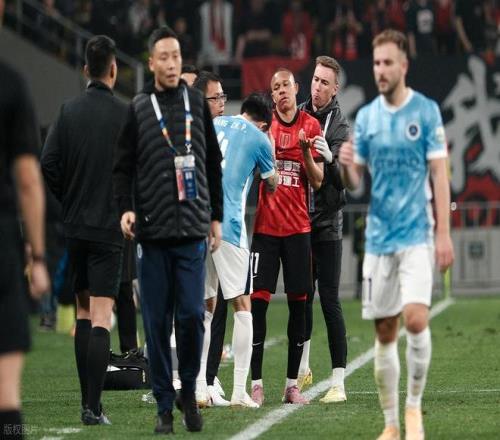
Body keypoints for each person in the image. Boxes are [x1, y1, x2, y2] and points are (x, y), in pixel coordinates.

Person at [339, 29, 454, 440]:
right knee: (385, 332)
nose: (380, 70)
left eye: (388, 62)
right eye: (376, 63)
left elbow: (440, 174)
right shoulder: (368, 117)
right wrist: (346, 165)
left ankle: (413, 408)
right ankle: (390, 423)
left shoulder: (426, 112)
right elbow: (355, 182)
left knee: (417, 319)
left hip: (417, 233)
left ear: (403, 66)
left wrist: (444, 234)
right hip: (379, 238)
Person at [113, 26, 223, 435]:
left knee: (192, 316)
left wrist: (215, 217)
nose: (172, 63)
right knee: (157, 324)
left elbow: (211, 163)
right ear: (151, 63)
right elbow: (122, 167)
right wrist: (126, 209)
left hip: (192, 231)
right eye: (164, 57)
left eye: (176, 55)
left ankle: (188, 389)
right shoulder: (139, 108)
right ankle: (164, 406)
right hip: (153, 235)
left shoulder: (196, 103)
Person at [41, 35, 127, 425]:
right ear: (114, 69)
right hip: (109, 228)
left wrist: (69, 198)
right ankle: (93, 407)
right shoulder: (124, 114)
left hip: (75, 227)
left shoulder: (67, 111)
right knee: (102, 317)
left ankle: (86, 402)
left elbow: (48, 164)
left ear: (85, 69)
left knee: (82, 312)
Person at [250, 68, 324, 406]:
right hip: (265, 231)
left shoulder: (311, 126)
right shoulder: (264, 127)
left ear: (296, 88)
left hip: (298, 231)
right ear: (272, 95)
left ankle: (292, 385)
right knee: (256, 308)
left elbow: (318, 181)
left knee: (299, 307)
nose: (281, 91)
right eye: (276, 87)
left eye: (286, 85)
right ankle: (256, 384)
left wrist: (305, 152)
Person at [208, 92, 278, 408]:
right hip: (230, 226)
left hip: (200, 222)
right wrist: (269, 152)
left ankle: (200, 388)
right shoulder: (260, 138)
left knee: (205, 307)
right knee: (242, 306)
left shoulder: (216, 123)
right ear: (264, 123)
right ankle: (238, 391)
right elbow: (272, 184)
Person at [0, 53, 50, 440]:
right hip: (1, 246)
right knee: (7, 398)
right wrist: (38, 256)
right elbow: (29, 181)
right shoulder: (10, 83)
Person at [297, 55, 349, 403]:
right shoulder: (298, 114)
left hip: (328, 224)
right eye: (315, 79)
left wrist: (331, 159)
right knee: (302, 299)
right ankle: (302, 369)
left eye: (324, 82)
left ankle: (338, 382)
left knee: (329, 300)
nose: (317, 87)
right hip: (300, 222)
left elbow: (344, 181)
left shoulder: (340, 127)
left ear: (335, 89)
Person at [192, 70, 229, 407]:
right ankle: (188, 379)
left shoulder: (220, 134)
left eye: (222, 97)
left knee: (210, 304)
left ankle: (204, 379)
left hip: (210, 227)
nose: (221, 103)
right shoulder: (189, 134)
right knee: (190, 305)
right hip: (187, 228)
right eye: (215, 98)